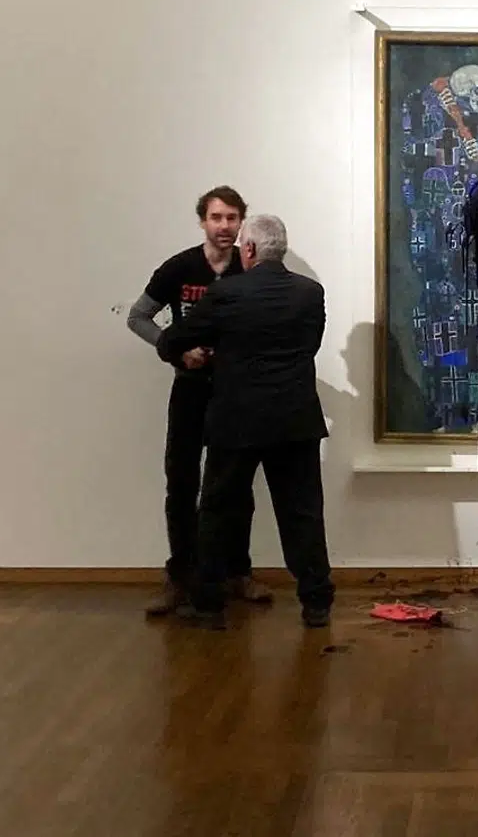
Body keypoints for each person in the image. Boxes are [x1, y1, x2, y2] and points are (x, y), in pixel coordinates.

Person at [156, 213, 335, 631]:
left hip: (237, 419)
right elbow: (309, 346)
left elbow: (174, 340)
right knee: (303, 513)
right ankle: (316, 602)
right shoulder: (310, 293)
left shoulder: (227, 293)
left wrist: (196, 351)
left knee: (218, 510)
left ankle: (208, 603)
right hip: (295, 418)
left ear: (249, 249)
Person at [126, 185, 271, 615]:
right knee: (182, 482)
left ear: (242, 222)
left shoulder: (250, 268)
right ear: (202, 221)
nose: (224, 226)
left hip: (236, 392)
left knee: (235, 485)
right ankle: (180, 577)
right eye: (216, 217)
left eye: (232, 218)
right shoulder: (180, 267)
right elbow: (138, 317)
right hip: (189, 388)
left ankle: (237, 572)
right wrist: (176, 348)